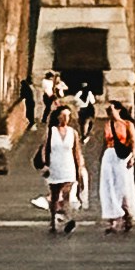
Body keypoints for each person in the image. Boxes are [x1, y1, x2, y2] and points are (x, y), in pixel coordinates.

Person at [96, 94, 135, 236]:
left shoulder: (128, 124)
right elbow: (105, 143)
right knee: (108, 186)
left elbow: (134, 141)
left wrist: (133, 156)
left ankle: (126, 213)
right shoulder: (107, 125)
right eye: (108, 111)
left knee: (123, 186)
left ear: (119, 110)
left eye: (111, 110)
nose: (109, 113)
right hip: (109, 155)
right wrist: (101, 157)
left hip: (122, 156)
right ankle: (113, 219)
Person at [43, 89, 84, 239]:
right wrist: (46, 165)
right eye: (63, 116)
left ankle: (68, 219)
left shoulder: (73, 133)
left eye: (68, 116)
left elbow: (76, 152)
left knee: (67, 194)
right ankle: (53, 220)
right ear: (58, 117)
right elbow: (46, 149)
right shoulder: (51, 131)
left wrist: (79, 169)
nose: (65, 119)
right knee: (54, 196)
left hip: (68, 166)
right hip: (55, 165)